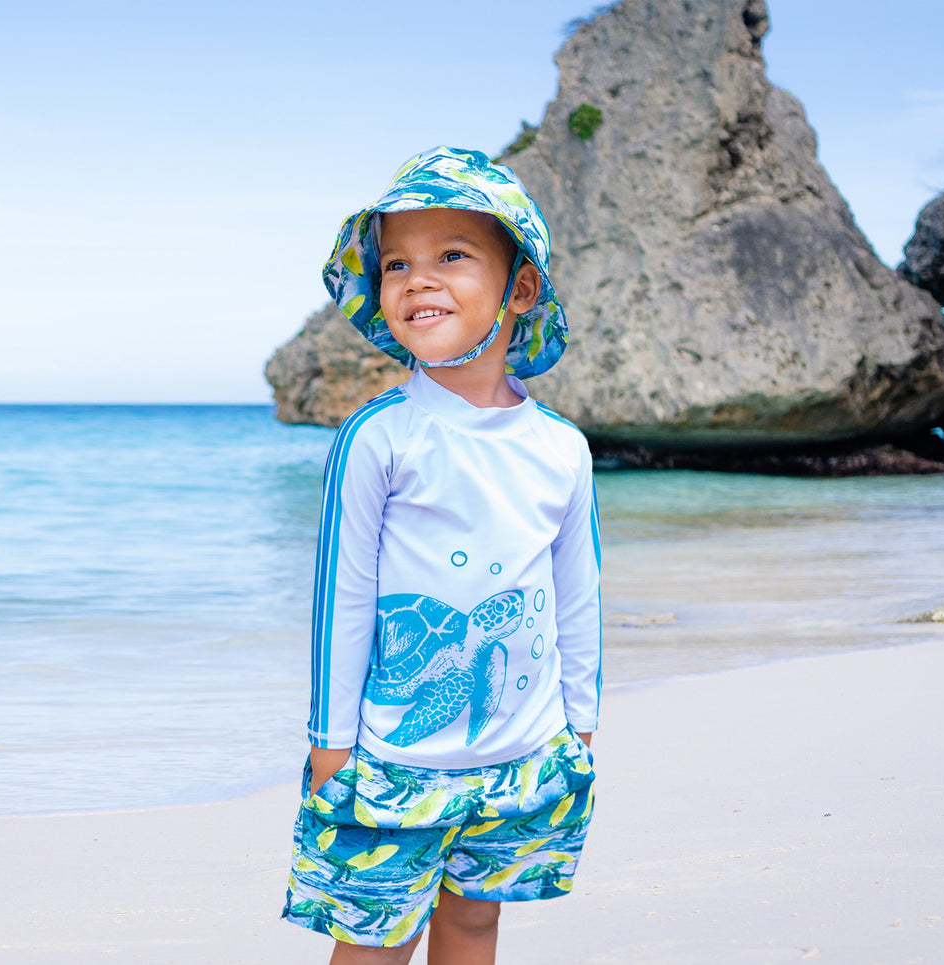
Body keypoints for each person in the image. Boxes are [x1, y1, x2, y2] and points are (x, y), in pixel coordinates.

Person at [281, 146, 602, 964]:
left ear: (519, 287)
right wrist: (331, 738)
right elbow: (341, 597)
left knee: (475, 923)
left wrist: (582, 720)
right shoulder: (379, 437)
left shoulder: (562, 448)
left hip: (524, 751)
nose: (418, 279)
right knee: (377, 937)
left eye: (452, 255)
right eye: (396, 263)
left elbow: (577, 592)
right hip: (394, 757)